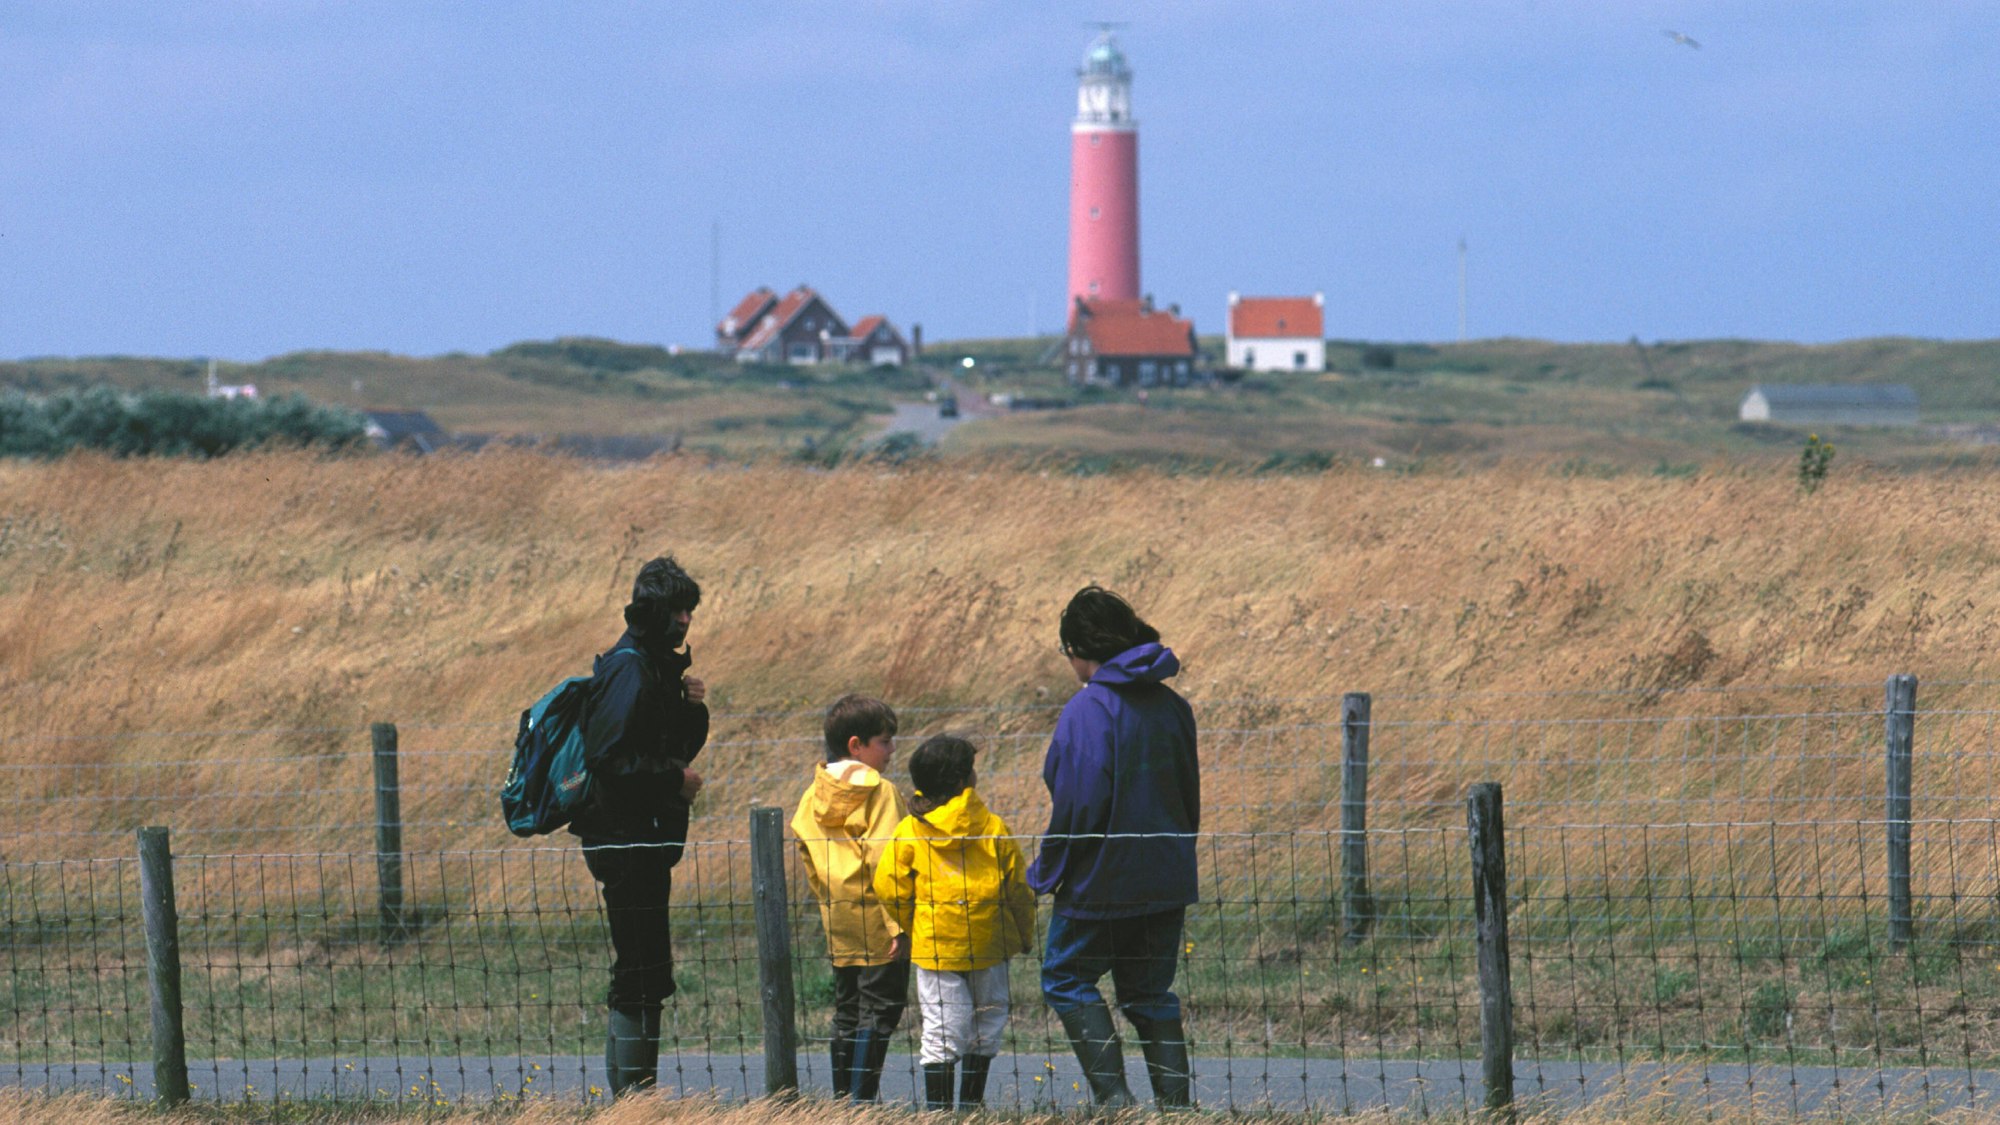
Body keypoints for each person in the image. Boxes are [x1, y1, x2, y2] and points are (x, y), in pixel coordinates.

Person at [1028, 586, 1199, 1109]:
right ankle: (1177, 1110)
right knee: (1149, 994)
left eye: (1067, 652)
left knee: (1066, 976)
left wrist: (1047, 870)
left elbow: (1079, 804)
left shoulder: (1088, 710)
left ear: (1080, 648)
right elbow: (1188, 793)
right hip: (1166, 873)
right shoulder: (1173, 707)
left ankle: (1116, 1103)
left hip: (1100, 880)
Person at [570, 555, 710, 1098]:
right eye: (677, 610)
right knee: (639, 966)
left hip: (641, 837)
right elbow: (609, 759)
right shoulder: (630, 667)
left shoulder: (649, 664)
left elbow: (666, 743)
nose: (685, 621)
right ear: (652, 610)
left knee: (650, 966)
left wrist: (690, 708)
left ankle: (637, 1097)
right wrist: (674, 781)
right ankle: (631, 1100)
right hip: (623, 838)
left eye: (689, 610)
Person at [874, 735, 1036, 1111]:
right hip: (990, 944)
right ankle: (972, 1108)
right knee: (988, 1022)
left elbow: (888, 886)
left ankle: (939, 1115)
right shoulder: (993, 827)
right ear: (966, 780)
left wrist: (911, 923)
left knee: (941, 1032)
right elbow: (1018, 889)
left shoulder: (912, 830)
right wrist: (1023, 934)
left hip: (935, 948)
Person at [790, 694, 911, 1102]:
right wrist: (897, 923)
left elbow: (809, 857)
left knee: (847, 1009)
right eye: (885, 741)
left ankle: (843, 1103)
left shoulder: (812, 795)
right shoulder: (881, 792)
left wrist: (828, 901)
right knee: (880, 1010)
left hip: (838, 916)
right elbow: (884, 859)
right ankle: (861, 1103)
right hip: (880, 917)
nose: (892, 750)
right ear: (856, 745)